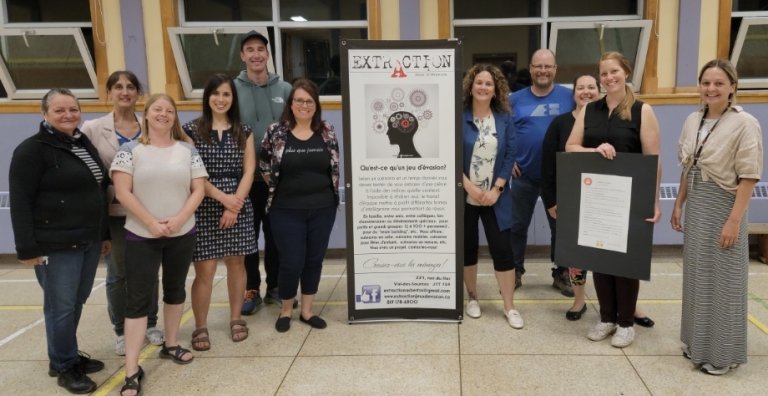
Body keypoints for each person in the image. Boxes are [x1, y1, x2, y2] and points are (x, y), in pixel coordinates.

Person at [9, 88, 110, 394]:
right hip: (55, 244)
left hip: (87, 239)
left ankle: (64, 354)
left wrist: (103, 234)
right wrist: (26, 248)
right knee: (61, 307)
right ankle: (65, 367)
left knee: (74, 301)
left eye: (73, 109)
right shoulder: (31, 150)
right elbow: (21, 202)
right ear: (45, 115)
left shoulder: (82, 144)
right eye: (59, 110)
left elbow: (97, 192)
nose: (68, 115)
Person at [541, 74, 657, 325]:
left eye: (591, 87)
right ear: (573, 94)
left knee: (618, 257)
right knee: (577, 257)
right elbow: (549, 165)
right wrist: (551, 201)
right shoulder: (560, 123)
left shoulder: (613, 118)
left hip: (611, 200)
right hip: (575, 200)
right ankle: (579, 299)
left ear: (599, 90)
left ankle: (630, 307)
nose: (586, 92)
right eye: (580, 87)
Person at [111, 94, 208, 396]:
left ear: (174, 117)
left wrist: (180, 218)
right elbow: (123, 192)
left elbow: (198, 189)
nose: (163, 114)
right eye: (157, 109)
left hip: (182, 233)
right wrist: (152, 222)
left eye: (169, 110)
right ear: (146, 115)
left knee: (175, 291)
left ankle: (171, 343)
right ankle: (131, 370)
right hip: (142, 235)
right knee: (138, 301)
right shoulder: (130, 151)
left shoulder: (187, 150)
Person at [672, 59, 763, 375]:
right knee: (697, 277)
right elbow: (688, 165)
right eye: (706, 82)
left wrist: (734, 221)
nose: (711, 89)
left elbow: (749, 176)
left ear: (732, 88)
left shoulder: (745, 123)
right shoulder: (693, 119)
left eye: (719, 83)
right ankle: (696, 344)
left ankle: (722, 355)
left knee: (724, 281)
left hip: (724, 206)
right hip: (697, 205)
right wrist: (679, 204)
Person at [566, 51, 661, 348]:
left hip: (629, 198)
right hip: (596, 196)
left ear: (626, 73)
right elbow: (571, 147)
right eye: (604, 73)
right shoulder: (588, 110)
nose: (609, 78)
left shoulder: (642, 110)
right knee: (600, 259)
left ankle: (625, 323)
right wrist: (593, 151)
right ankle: (606, 318)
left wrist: (654, 201)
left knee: (624, 263)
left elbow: (653, 160)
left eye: (614, 72)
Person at [80, 71, 164, 356]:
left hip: (151, 209)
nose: (125, 92)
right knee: (118, 273)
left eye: (130, 87)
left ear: (138, 93)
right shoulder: (93, 128)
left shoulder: (150, 123)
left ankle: (150, 323)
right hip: (114, 212)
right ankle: (121, 329)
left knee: (149, 271)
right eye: (118, 87)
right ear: (109, 92)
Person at [260, 78, 339, 333]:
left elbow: (333, 166)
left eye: (309, 101)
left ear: (316, 105)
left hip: (323, 207)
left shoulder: (326, 130)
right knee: (291, 261)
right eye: (299, 100)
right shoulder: (276, 131)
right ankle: (286, 309)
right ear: (291, 104)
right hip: (286, 209)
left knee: (314, 260)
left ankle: (307, 311)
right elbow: (263, 163)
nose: (304, 105)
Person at [185, 74, 257, 350]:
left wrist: (235, 203)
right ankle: (200, 326)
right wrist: (223, 199)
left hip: (238, 203)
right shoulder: (190, 130)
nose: (221, 99)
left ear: (233, 99)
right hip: (203, 201)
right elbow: (194, 173)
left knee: (237, 264)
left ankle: (236, 317)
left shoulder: (244, 130)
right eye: (216, 94)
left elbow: (249, 170)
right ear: (207, 97)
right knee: (205, 269)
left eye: (226, 94)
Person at [234, 30, 293, 314]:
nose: (256, 54)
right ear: (243, 56)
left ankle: (276, 286)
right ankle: (251, 288)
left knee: (276, 236)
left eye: (261, 49)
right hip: (244, 179)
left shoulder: (285, 90)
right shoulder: (231, 90)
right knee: (247, 237)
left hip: (277, 180)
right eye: (250, 50)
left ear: (267, 55)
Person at [508, 48, 575, 296]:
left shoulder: (570, 97)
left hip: (558, 178)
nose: (543, 71)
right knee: (517, 226)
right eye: (538, 66)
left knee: (561, 226)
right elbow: (502, 130)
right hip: (523, 174)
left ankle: (562, 272)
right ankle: (514, 271)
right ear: (531, 68)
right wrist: (509, 158)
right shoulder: (514, 99)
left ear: (555, 69)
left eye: (548, 66)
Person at [461, 64, 522, 328]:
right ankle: (472, 297)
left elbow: (510, 154)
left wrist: (496, 189)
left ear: (496, 89)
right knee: (468, 248)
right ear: (471, 86)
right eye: (479, 82)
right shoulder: (458, 116)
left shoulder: (504, 117)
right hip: (465, 196)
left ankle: (509, 307)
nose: (483, 87)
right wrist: (470, 187)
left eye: (489, 83)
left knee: (503, 250)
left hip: (495, 197)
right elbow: (450, 157)